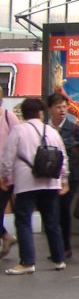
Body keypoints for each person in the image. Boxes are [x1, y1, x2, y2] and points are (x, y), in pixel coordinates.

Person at [0, 97, 68, 274]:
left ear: (23, 113)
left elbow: (8, 156)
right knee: (52, 221)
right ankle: (59, 259)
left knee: (23, 221)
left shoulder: (19, 130)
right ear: (41, 112)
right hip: (50, 182)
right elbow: (63, 157)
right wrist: (64, 179)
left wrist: (4, 176)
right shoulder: (52, 131)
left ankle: (27, 262)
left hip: (26, 182)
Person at [47, 91, 79, 257]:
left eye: (64, 107)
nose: (62, 110)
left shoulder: (73, 129)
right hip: (48, 176)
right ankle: (57, 248)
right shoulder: (45, 129)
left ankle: (64, 247)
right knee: (52, 212)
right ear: (50, 109)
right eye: (58, 107)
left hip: (70, 177)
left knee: (63, 210)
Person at [0, 88, 18, 259]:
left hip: (6, 176)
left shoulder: (8, 117)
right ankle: (6, 236)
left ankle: (6, 237)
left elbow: (17, 144)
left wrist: (7, 173)